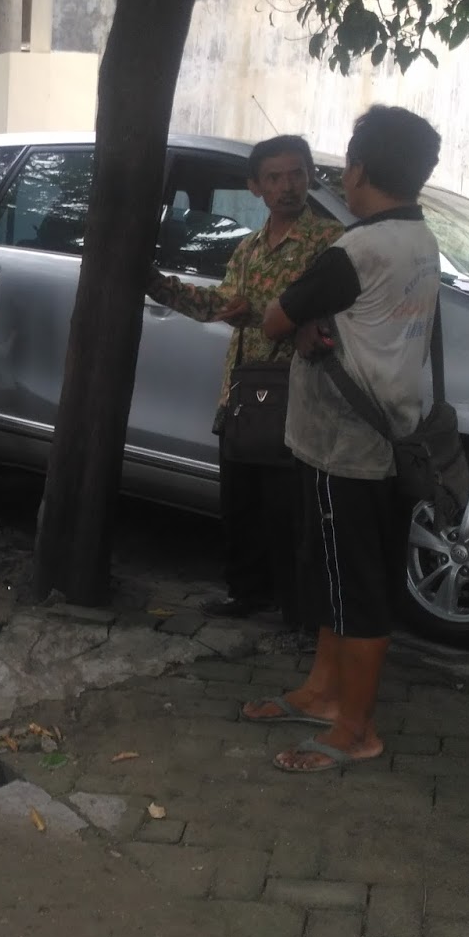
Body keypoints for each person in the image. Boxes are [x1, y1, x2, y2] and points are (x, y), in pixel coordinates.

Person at [240, 105, 444, 773]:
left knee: (356, 587)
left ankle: (355, 729)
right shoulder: (418, 237)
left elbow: (273, 320)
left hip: (346, 446)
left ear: (356, 171)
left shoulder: (352, 250)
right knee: (336, 574)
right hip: (388, 435)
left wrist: (302, 321)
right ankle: (324, 694)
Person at [148, 136, 344, 633]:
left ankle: (298, 610)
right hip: (243, 396)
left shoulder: (329, 242)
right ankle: (247, 593)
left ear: (308, 176)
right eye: (274, 178)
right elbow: (221, 306)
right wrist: (156, 284)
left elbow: (336, 316)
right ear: (255, 187)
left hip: (300, 397)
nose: (287, 186)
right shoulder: (249, 248)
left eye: (296, 174)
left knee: (290, 510)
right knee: (242, 503)